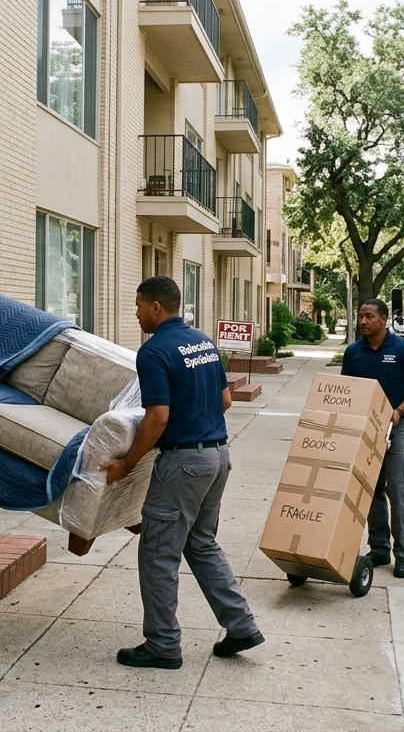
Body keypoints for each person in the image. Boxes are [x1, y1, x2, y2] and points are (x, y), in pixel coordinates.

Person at [102, 276, 263, 669]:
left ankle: (162, 645)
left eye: (139, 305)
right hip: (218, 457)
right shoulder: (203, 342)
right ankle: (241, 625)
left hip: (184, 465)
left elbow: (157, 417)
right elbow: (225, 400)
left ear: (156, 307)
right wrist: (196, 420)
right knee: (201, 544)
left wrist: (127, 463)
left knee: (158, 552)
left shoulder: (154, 351)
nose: (136, 313)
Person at [341, 298, 404, 579]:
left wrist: (399, 411)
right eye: (361, 316)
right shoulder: (354, 352)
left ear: (384, 319)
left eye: (369, 316)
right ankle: (379, 548)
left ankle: (403, 555)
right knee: (371, 490)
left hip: (397, 427)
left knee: (399, 491)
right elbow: (347, 389)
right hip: (366, 428)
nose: (363, 321)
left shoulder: (403, 349)